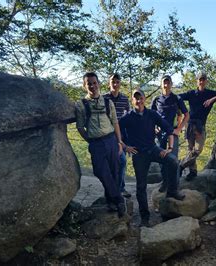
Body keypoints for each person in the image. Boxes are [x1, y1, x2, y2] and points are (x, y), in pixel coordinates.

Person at [119, 89, 185, 227]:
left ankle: (172, 191)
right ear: (133, 100)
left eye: (141, 97)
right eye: (136, 98)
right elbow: (116, 132)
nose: (139, 100)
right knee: (141, 186)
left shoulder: (152, 114)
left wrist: (170, 148)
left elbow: (169, 129)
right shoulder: (127, 117)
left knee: (173, 161)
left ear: (144, 99)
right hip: (138, 154)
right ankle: (145, 217)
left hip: (153, 149)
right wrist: (125, 147)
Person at [75, 72, 126, 217]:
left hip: (111, 140)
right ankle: (119, 199)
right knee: (101, 171)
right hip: (96, 143)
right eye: (88, 83)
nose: (92, 85)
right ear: (84, 85)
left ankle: (111, 201)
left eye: (94, 82)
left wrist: (119, 142)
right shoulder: (81, 105)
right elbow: (80, 127)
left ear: (99, 83)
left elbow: (115, 122)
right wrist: (90, 140)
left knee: (114, 171)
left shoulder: (108, 102)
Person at [178, 71, 216, 180]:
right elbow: (178, 97)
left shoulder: (209, 93)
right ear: (197, 81)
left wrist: (212, 100)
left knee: (198, 149)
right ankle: (193, 172)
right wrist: (181, 111)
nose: (201, 81)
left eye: (203, 79)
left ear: (206, 81)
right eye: (199, 79)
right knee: (190, 149)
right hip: (190, 124)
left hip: (201, 125)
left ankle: (181, 165)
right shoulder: (191, 93)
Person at [150, 75, 189, 191]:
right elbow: (150, 116)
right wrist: (153, 128)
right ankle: (165, 182)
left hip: (173, 132)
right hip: (160, 133)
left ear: (171, 84)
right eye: (164, 83)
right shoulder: (156, 99)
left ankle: (174, 185)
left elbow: (187, 115)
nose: (166, 85)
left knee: (173, 159)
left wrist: (179, 129)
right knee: (161, 158)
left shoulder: (177, 98)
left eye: (168, 82)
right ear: (161, 84)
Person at [103, 73, 131, 198]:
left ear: (120, 83)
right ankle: (114, 190)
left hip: (121, 135)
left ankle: (120, 188)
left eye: (117, 82)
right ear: (109, 83)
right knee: (116, 163)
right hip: (108, 135)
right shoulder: (103, 99)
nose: (115, 84)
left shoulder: (124, 99)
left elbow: (129, 117)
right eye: (112, 81)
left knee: (121, 162)